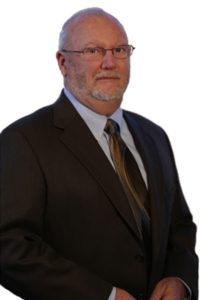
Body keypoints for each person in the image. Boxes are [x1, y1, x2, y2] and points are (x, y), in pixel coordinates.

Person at [0, 7, 198, 300]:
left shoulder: (154, 135)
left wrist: (179, 278)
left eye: (119, 49)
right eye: (93, 50)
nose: (109, 62)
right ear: (63, 62)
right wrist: (103, 295)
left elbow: (180, 226)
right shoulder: (23, 140)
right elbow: (8, 245)